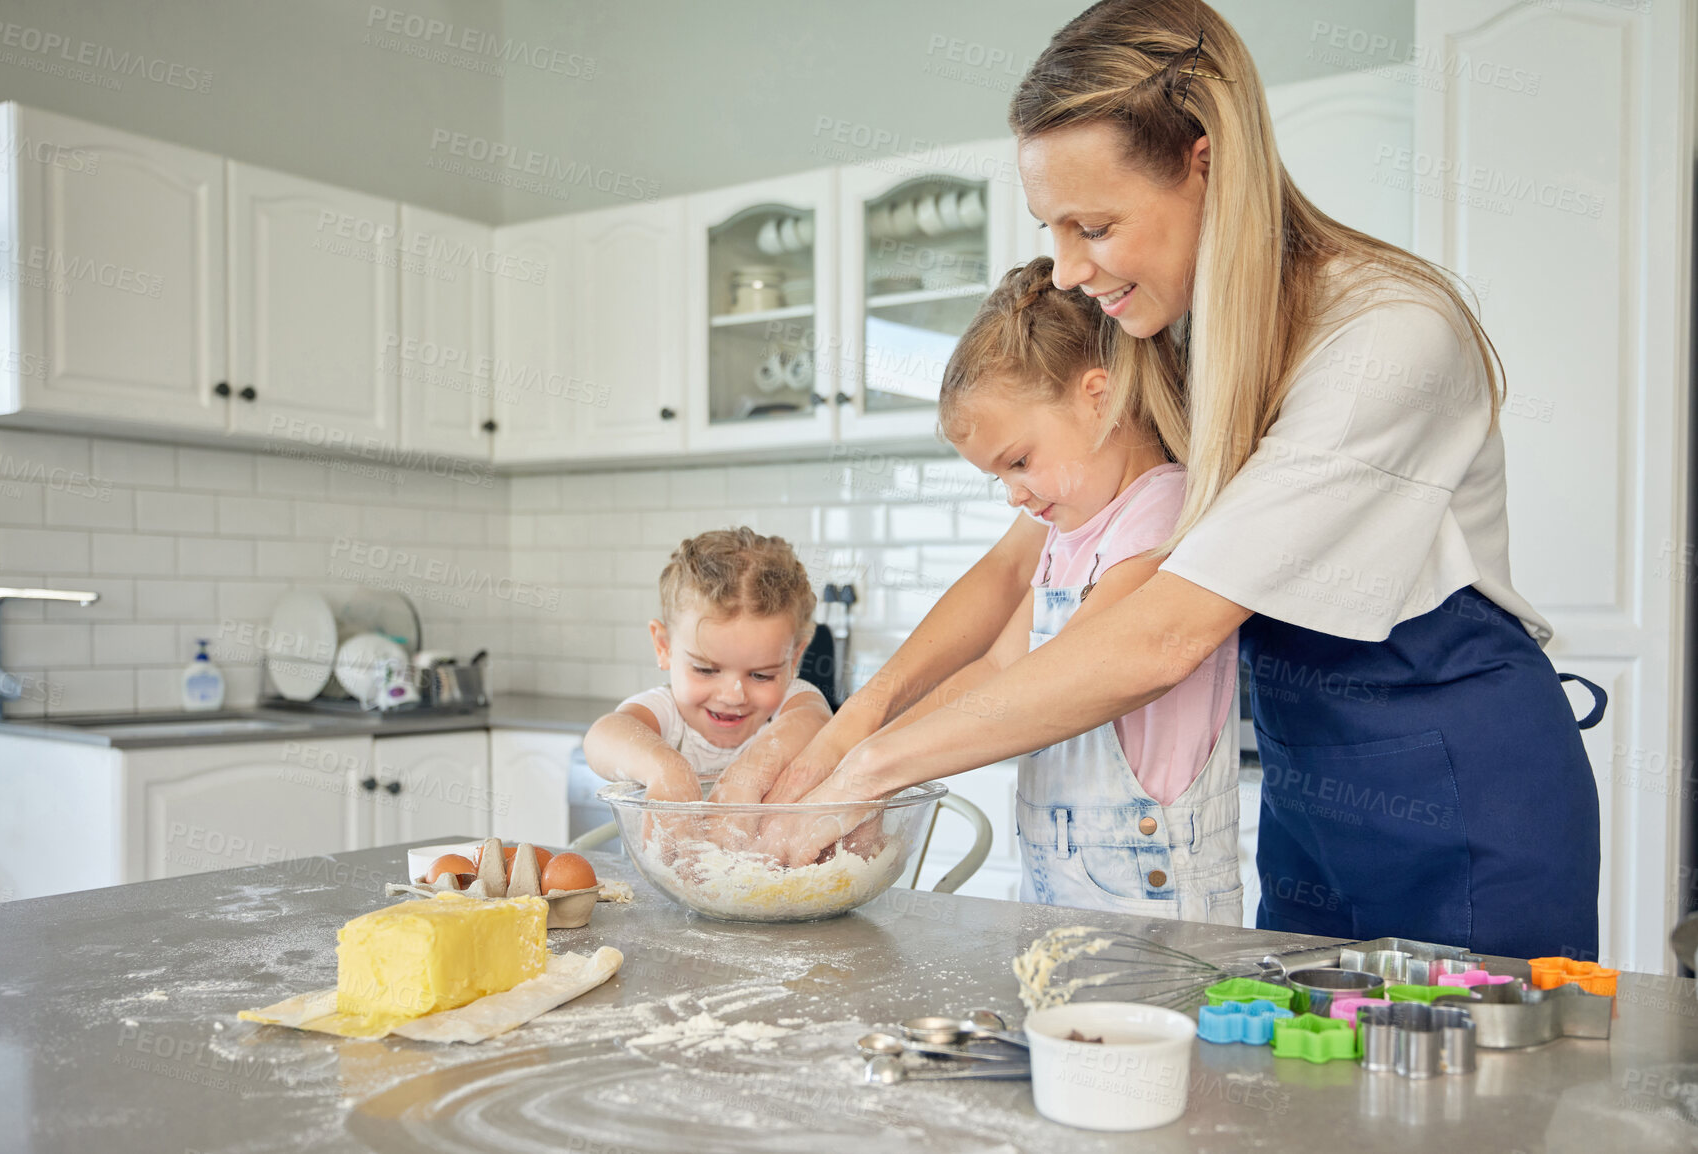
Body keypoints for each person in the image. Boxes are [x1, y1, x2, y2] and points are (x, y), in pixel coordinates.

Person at [761, 0, 1604, 961]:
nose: (1069, 271)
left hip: (1462, 795)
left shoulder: (1384, 337)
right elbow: (1017, 564)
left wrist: (870, 773)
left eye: (1095, 225)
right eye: (1052, 230)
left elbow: (1165, 632)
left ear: (1206, 162)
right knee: (1306, 1094)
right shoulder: (1171, 341)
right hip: (1312, 787)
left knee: (1470, 1105)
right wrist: (857, 720)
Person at [862, 256, 1243, 921]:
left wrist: (874, 770)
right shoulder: (1068, 536)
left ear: (1096, 396)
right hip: (1058, 890)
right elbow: (997, 668)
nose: (1013, 493)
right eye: (997, 477)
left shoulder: (1162, 509)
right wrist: (868, 762)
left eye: (1019, 461)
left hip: (1151, 896)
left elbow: (1069, 674)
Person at [582, 528, 830, 806]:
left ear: (794, 658)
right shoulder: (668, 713)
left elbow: (815, 721)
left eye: (762, 675)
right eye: (706, 670)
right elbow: (601, 737)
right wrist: (666, 770)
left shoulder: (790, 702)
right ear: (664, 646)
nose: (733, 695)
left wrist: (747, 776)